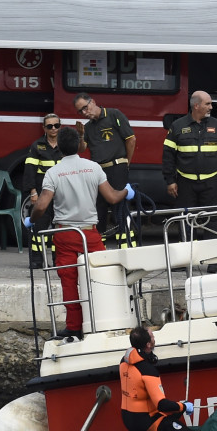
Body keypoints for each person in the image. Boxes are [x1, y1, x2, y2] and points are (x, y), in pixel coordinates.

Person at [27, 126, 134, 339]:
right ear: (79, 145)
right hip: (90, 234)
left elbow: (41, 206)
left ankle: (74, 327)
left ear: (60, 149)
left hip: (64, 233)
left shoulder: (53, 172)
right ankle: (106, 322)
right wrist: (127, 191)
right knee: (102, 276)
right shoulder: (93, 167)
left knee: (68, 280)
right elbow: (112, 198)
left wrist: (32, 220)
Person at [162, 91, 217, 270]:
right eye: (208, 104)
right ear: (196, 106)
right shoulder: (177, 127)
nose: (211, 107)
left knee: (214, 222)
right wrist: (170, 180)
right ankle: (183, 260)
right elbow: (168, 156)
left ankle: (213, 262)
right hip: (185, 183)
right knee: (184, 221)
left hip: (211, 183)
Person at [74, 93, 136, 248]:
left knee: (120, 210)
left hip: (117, 167)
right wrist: (81, 135)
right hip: (98, 172)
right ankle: (99, 251)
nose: (84, 112)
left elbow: (131, 139)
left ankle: (127, 249)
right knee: (98, 211)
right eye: (80, 111)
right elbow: (82, 149)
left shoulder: (114, 114)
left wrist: (126, 163)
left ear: (93, 102)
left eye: (85, 107)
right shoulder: (88, 127)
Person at [119, 326, 196, 431]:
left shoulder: (124, 361)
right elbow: (162, 405)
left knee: (171, 419)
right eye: (153, 336)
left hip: (128, 418)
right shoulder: (148, 371)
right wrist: (184, 406)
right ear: (149, 344)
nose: (154, 338)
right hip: (145, 422)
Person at [22, 114, 63, 269]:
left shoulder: (65, 145)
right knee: (39, 227)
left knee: (59, 228)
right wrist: (33, 192)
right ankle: (37, 260)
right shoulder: (37, 145)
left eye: (56, 125)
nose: (53, 129)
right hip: (42, 193)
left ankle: (58, 260)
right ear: (44, 128)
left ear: (60, 126)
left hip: (61, 194)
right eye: (49, 126)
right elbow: (29, 170)